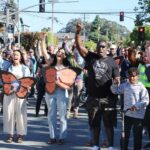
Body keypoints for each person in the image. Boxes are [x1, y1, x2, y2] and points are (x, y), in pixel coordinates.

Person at [75, 23, 120, 150]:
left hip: (108, 98)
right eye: (99, 46)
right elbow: (79, 47)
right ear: (96, 47)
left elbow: (116, 76)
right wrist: (78, 32)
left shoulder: (112, 61)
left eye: (103, 46)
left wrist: (117, 81)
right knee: (94, 123)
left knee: (108, 124)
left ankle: (110, 146)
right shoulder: (91, 57)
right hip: (93, 98)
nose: (101, 48)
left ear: (107, 49)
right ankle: (95, 145)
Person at [40, 34, 72, 145]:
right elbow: (44, 52)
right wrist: (42, 39)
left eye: (63, 53)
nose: (60, 53)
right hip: (50, 92)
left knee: (62, 116)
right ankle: (52, 137)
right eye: (59, 51)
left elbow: (70, 84)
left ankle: (62, 137)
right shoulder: (51, 62)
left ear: (65, 56)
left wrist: (60, 83)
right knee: (51, 115)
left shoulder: (67, 66)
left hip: (62, 92)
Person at [111, 67, 149, 150]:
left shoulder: (141, 87)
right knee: (124, 136)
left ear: (138, 76)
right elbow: (115, 91)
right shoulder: (125, 85)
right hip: (127, 115)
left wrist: (136, 106)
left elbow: (146, 100)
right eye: (130, 76)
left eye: (134, 76)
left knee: (137, 137)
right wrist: (114, 83)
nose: (132, 78)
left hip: (138, 116)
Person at [3, 50, 31, 143]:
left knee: (20, 114)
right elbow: (2, 79)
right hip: (9, 93)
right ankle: (10, 134)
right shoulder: (7, 67)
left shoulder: (25, 68)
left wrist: (25, 88)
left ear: (20, 57)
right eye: (14, 54)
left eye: (17, 55)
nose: (15, 56)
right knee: (9, 113)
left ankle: (20, 135)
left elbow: (28, 81)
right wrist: (6, 87)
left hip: (20, 94)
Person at [138, 49, 150, 149]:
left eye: (146, 55)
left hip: (149, 92)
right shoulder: (141, 65)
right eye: (144, 55)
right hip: (141, 92)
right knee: (144, 118)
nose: (144, 57)